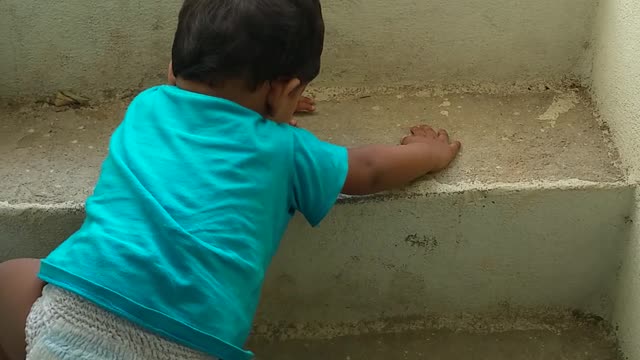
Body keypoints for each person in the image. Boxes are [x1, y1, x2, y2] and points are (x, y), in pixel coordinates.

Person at [0, 0, 461, 359]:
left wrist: (263, 107)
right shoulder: (287, 150)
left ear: (172, 67)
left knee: (11, 278)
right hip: (192, 346)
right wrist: (428, 154)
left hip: (69, 322)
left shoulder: (146, 106)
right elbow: (368, 170)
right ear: (285, 90)